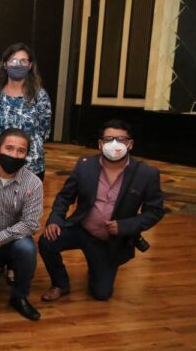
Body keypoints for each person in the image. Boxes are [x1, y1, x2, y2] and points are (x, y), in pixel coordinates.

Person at [39, 120, 164, 302]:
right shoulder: (85, 165)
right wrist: (55, 219)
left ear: (130, 144)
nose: (114, 144)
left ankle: (96, 268)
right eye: (109, 139)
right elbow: (65, 196)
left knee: (102, 293)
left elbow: (155, 211)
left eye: (120, 139)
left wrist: (125, 226)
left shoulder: (146, 174)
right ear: (100, 144)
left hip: (108, 241)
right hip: (81, 228)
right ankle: (60, 283)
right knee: (47, 241)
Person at [0, 128, 43, 321]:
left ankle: (19, 296)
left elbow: (30, 224)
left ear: (26, 155)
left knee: (27, 248)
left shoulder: (34, 183)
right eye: (9, 148)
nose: (14, 155)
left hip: (12, 241)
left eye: (21, 151)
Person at [0, 43, 52, 180]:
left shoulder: (40, 96)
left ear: (30, 65)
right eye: (13, 60)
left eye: (23, 61)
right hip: (1, 163)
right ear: (5, 64)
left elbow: (45, 130)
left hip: (32, 163)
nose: (18, 65)